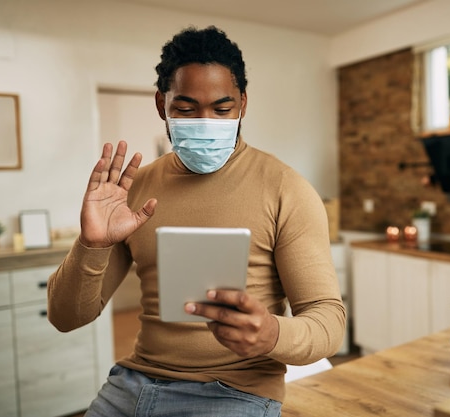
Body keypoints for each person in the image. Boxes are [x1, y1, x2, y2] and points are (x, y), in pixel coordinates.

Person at [47, 25, 346, 417]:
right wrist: (93, 245)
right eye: (186, 109)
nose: (205, 121)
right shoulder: (134, 189)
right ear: (161, 105)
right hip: (133, 383)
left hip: (234, 392)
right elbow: (66, 318)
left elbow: (328, 322)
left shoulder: (286, 189)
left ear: (242, 103)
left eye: (222, 109)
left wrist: (272, 333)